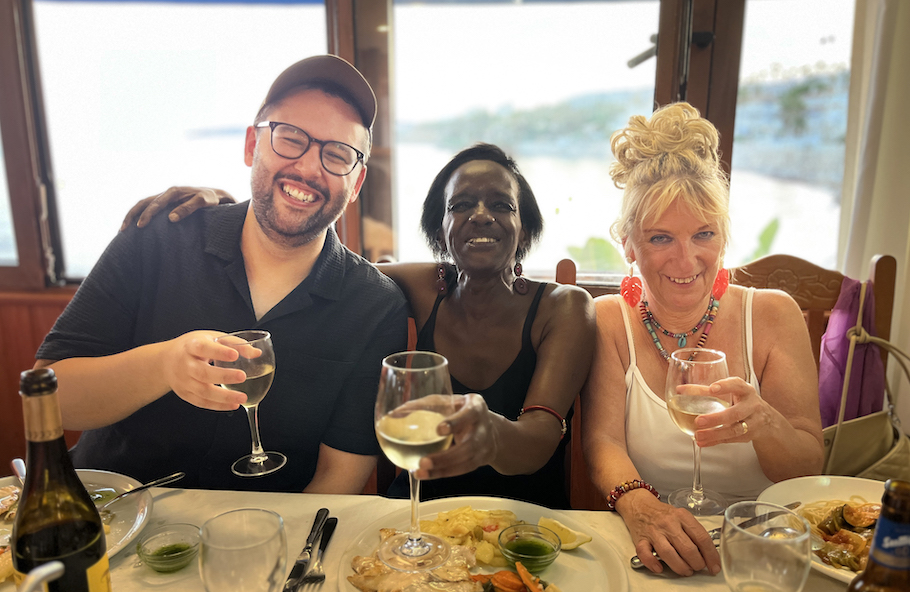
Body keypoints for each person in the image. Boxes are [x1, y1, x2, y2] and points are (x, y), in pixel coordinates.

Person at [123, 143, 596, 509]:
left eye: (502, 205)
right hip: (415, 514)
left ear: (525, 225)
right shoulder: (426, 286)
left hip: (526, 522)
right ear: (440, 227)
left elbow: (540, 438)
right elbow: (327, 265)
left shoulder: (563, 307)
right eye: (460, 205)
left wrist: (490, 432)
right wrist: (228, 214)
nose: (480, 216)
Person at [34, 55, 409, 494]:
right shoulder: (158, 236)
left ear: (357, 182)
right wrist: (163, 366)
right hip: (114, 512)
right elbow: (50, 402)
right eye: (290, 138)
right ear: (252, 145)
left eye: (337, 155)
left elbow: (338, 477)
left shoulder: (373, 306)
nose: (309, 169)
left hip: (268, 526)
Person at [581, 102, 824, 575]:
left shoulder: (775, 315)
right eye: (660, 238)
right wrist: (643, 508)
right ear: (628, 244)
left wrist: (765, 423)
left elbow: (806, 467)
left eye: (704, 234)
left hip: (761, 550)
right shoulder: (608, 320)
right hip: (660, 550)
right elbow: (602, 442)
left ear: (724, 239)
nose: (686, 259)